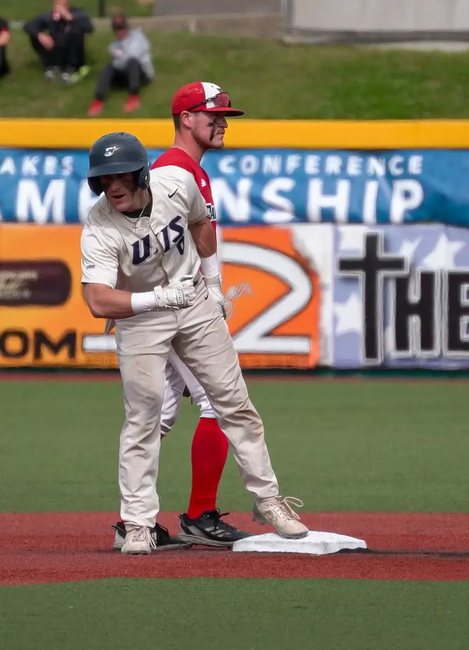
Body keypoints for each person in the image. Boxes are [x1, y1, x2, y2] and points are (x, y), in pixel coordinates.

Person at [79, 131, 309, 555]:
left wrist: (214, 284)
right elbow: (96, 300)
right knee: (143, 418)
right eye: (103, 178)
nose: (112, 185)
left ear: (143, 173)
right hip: (143, 317)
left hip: (194, 304)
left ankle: (269, 501)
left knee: (234, 402)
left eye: (122, 175)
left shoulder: (175, 183)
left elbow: (202, 222)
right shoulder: (99, 226)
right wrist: (157, 298)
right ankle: (138, 524)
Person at [109, 81, 253, 551]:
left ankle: (136, 523)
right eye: (214, 114)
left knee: (162, 409)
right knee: (214, 402)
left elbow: (196, 238)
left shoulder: (188, 169)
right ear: (186, 118)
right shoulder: (173, 168)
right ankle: (199, 515)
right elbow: (147, 244)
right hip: (168, 309)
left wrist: (212, 289)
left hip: (173, 305)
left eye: (225, 115)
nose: (223, 122)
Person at [88, 13, 154, 116]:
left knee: (132, 62)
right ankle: (98, 100)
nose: (119, 32)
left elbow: (132, 56)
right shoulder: (113, 45)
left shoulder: (138, 38)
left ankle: (133, 97)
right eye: (116, 29)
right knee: (108, 68)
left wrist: (120, 55)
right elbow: (117, 63)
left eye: (121, 28)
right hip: (124, 74)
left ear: (127, 27)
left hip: (142, 75)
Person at [23, 0, 94, 84]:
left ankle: (71, 68)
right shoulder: (49, 16)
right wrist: (40, 35)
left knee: (75, 30)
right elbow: (28, 25)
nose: (58, 2)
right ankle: (52, 66)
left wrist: (69, 17)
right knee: (35, 35)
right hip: (55, 49)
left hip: (72, 52)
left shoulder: (79, 13)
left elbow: (89, 29)